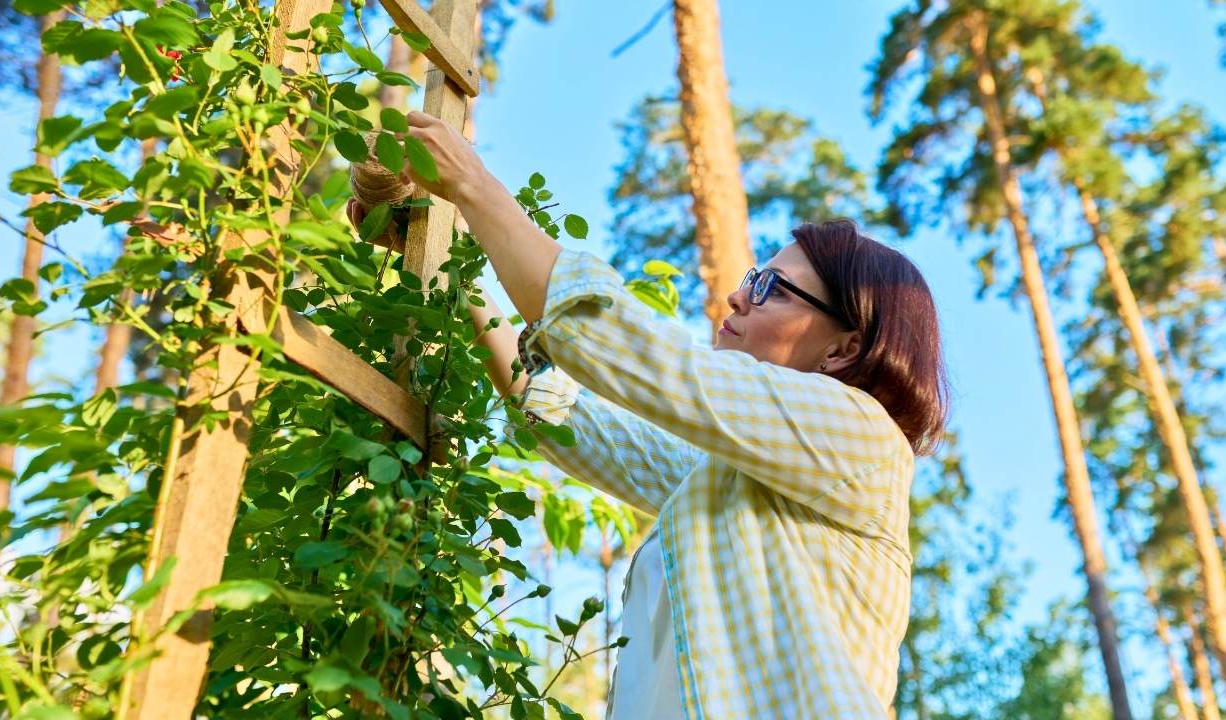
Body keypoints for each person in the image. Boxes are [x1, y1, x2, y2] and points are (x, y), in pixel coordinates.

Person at [348, 111, 950, 719]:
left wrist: (471, 184)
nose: (739, 295)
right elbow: (563, 416)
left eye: (773, 287)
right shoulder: (733, 481)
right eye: (750, 277)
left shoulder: (862, 437)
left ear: (844, 348)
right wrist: (448, 262)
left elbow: (624, 348)